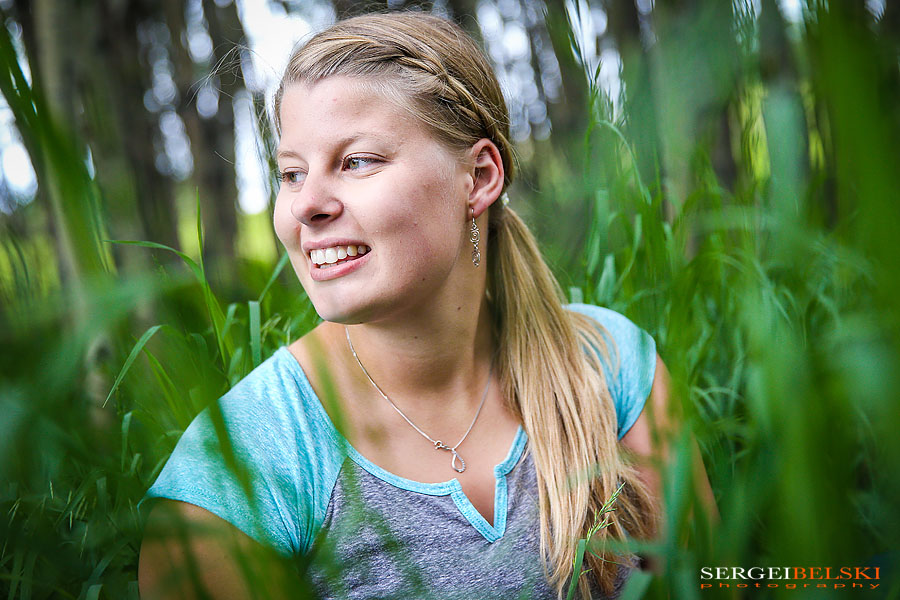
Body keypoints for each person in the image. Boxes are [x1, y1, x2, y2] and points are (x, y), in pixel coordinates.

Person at [139, 12, 711, 600]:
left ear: (478, 178)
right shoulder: (240, 466)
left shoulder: (610, 366)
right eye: (291, 173)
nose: (306, 205)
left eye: (357, 161)